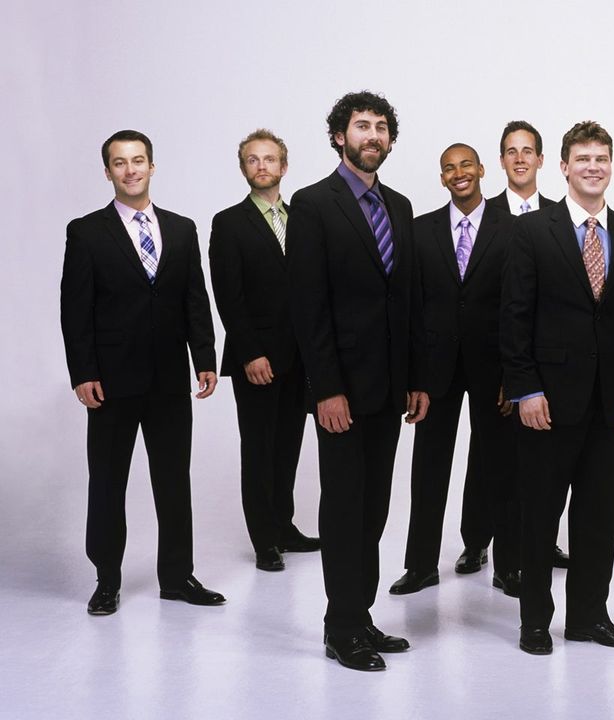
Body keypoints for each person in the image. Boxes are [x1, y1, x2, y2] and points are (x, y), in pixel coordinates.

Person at [288, 91, 429, 671]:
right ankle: (341, 627)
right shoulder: (312, 204)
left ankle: (361, 614)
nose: (372, 135)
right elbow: (307, 304)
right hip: (341, 390)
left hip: (388, 388)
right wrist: (326, 388)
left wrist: (416, 378)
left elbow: (409, 299)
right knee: (345, 509)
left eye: (381, 127)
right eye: (361, 126)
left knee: (373, 510)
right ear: (338, 136)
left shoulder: (399, 204)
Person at [501, 121, 614, 655]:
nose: (593, 167)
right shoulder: (531, 231)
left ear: (611, 166)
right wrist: (525, 390)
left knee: (597, 519)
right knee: (540, 518)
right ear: (564, 167)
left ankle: (589, 617)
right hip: (546, 401)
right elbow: (513, 317)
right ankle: (534, 622)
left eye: (601, 158)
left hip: (609, 404)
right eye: (583, 158)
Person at [61, 129, 225, 615]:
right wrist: (83, 372)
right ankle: (106, 580)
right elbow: (75, 310)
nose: (130, 170)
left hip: (169, 379)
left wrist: (205, 358)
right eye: (120, 162)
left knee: (174, 480)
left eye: (138, 160)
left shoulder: (181, 229)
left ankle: (177, 577)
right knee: (107, 482)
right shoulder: (87, 232)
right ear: (107, 172)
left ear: (152, 166)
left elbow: (195, 298)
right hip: (111, 382)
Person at [391, 143, 521, 598]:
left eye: (466, 164)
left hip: (495, 369)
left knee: (502, 468)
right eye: (449, 168)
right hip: (435, 372)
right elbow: (410, 305)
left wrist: (515, 374)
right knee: (428, 470)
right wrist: (414, 378)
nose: (458, 172)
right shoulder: (420, 229)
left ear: (482, 170)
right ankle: (421, 566)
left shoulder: (512, 228)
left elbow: (518, 305)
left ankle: (509, 566)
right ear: (442, 178)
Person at [209, 129, 319, 574]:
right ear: (244, 169)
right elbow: (228, 295)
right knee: (258, 448)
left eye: (269, 159)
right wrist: (250, 353)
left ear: (283, 166)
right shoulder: (229, 223)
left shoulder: (303, 219)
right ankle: (263, 540)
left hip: (299, 356)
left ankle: (284, 526)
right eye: (252, 160)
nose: (262, 166)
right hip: (257, 358)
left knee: (288, 444)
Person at [489, 120, 567, 568]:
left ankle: (540, 544)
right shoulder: (484, 214)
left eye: (527, 151)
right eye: (511, 151)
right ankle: (503, 557)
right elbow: (489, 301)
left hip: (549, 369)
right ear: (501, 160)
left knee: (546, 468)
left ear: (541, 160)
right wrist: (510, 374)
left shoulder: (562, 215)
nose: (520, 159)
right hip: (502, 362)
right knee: (501, 465)